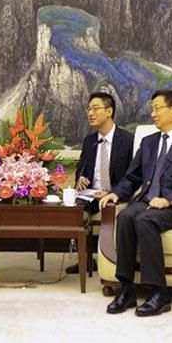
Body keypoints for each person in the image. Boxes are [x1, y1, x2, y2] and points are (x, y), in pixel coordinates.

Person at [97, 90, 172, 317]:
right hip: (148, 200)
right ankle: (126, 288)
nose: (153, 113)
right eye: (152, 108)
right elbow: (132, 177)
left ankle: (159, 293)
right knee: (126, 216)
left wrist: (168, 199)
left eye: (157, 108)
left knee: (145, 220)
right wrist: (116, 194)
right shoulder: (148, 142)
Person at [66, 92, 134, 274]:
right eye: (88, 109)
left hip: (115, 195)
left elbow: (133, 176)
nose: (90, 113)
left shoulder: (128, 141)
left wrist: (113, 192)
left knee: (114, 210)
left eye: (95, 108)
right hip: (91, 195)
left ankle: (113, 260)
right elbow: (82, 169)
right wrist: (80, 180)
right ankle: (85, 260)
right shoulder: (89, 141)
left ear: (109, 111)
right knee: (71, 209)